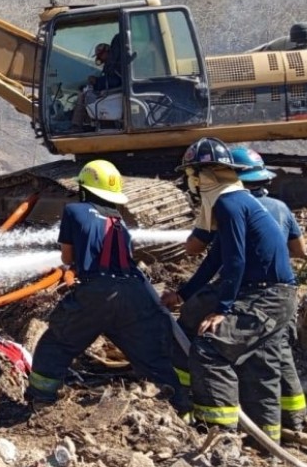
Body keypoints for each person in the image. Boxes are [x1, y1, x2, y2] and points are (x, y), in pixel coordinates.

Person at [26, 160, 191, 417]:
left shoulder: (74, 211)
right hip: (132, 293)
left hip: (97, 293)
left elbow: (67, 258)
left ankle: (41, 402)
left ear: (84, 189)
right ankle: (181, 407)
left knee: (56, 343)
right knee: (149, 355)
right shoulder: (119, 221)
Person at [160, 138, 297, 442]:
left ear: (201, 175)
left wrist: (223, 309)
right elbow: (215, 259)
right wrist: (182, 294)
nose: (190, 183)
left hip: (265, 296)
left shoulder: (228, 203)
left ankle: (220, 438)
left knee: (209, 347)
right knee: (260, 364)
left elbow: (236, 260)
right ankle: (267, 443)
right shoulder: (234, 200)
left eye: (191, 176)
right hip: (274, 295)